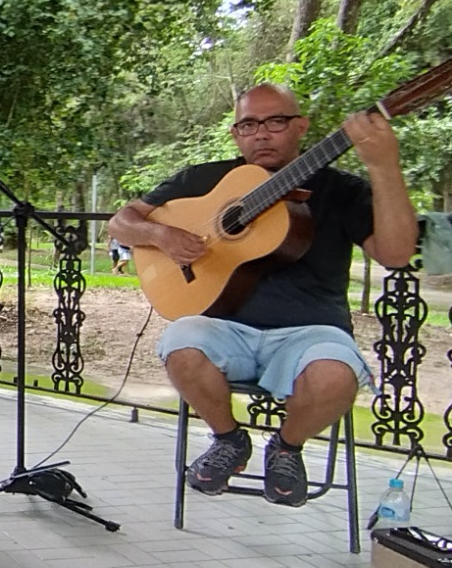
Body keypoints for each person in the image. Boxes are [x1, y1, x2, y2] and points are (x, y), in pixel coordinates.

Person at [108, 83, 416, 507]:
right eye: (249, 124)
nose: (262, 134)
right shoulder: (204, 179)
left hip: (312, 332)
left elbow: (397, 254)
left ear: (300, 127)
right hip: (225, 326)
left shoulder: (341, 189)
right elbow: (121, 223)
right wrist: (160, 234)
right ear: (236, 133)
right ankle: (229, 440)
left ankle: (286, 448)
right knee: (180, 343)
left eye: (275, 121)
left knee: (336, 376)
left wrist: (384, 167)